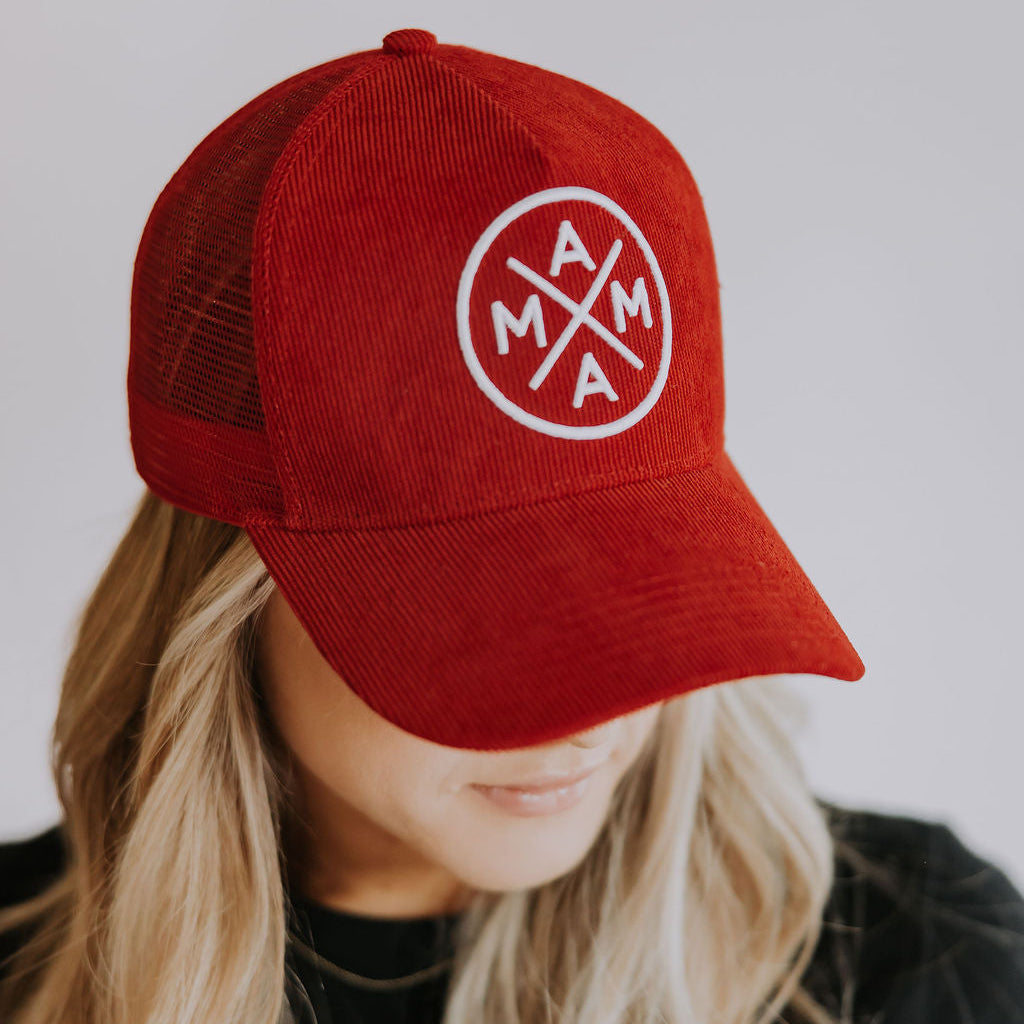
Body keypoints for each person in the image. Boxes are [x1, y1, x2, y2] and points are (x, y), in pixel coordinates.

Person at [1, 26, 1022, 1024]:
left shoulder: (913, 961)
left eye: (640, 581)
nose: (594, 718)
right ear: (229, 598)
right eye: (493, 619)